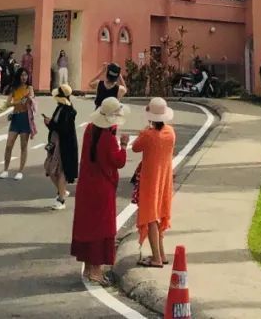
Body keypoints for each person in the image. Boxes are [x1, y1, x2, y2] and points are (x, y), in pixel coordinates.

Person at [71, 97, 128, 284]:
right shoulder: (109, 139)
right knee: (101, 228)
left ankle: (88, 267)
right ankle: (96, 270)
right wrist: (125, 146)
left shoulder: (90, 130)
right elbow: (118, 161)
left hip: (87, 185)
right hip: (102, 188)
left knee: (88, 225)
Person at [131, 97, 175, 268]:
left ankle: (156, 258)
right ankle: (161, 254)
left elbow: (135, 147)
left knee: (150, 217)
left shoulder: (148, 135)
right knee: (159, 215)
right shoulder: (170, 132)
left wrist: (144, 131)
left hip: (151, 180)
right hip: (165, 179)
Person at [44, 84, 79, 209]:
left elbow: (63, 129)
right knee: (50, 168)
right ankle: (62, 191)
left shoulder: (68, 111)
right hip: (55, 142)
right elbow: (56, 126)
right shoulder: (60, 108)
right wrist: (50, 124)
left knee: (61, 170)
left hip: (65, 145)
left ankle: (61, 199)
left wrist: (51, 124)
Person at [0, 68, 36, 180]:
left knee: (23, 146)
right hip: (16, 117)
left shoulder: (29, 88)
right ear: (18, 76)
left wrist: (29, 99)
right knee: (9, 144)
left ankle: (20, 171)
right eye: (22, 75)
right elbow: (7, 103)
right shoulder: (14, 88)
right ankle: (5, 169)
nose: (24, 77)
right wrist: (18, 102)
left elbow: (33, 100)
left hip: (25, 118)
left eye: (25, 75)